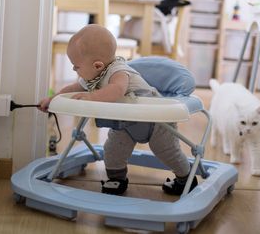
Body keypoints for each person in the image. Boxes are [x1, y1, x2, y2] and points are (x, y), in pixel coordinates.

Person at [38, 24, 197, 196]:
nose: (74, 69)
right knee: (113, 150)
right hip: (126, 123)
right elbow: (73, 88)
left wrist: (92, 97)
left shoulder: (119, 70)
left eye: (76, 66)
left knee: (167, 152)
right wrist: (53, 99)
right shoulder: (93, 76)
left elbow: (117, 90)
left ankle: (185, 179)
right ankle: (117, 179)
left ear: (97, 65)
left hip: (157, 122)